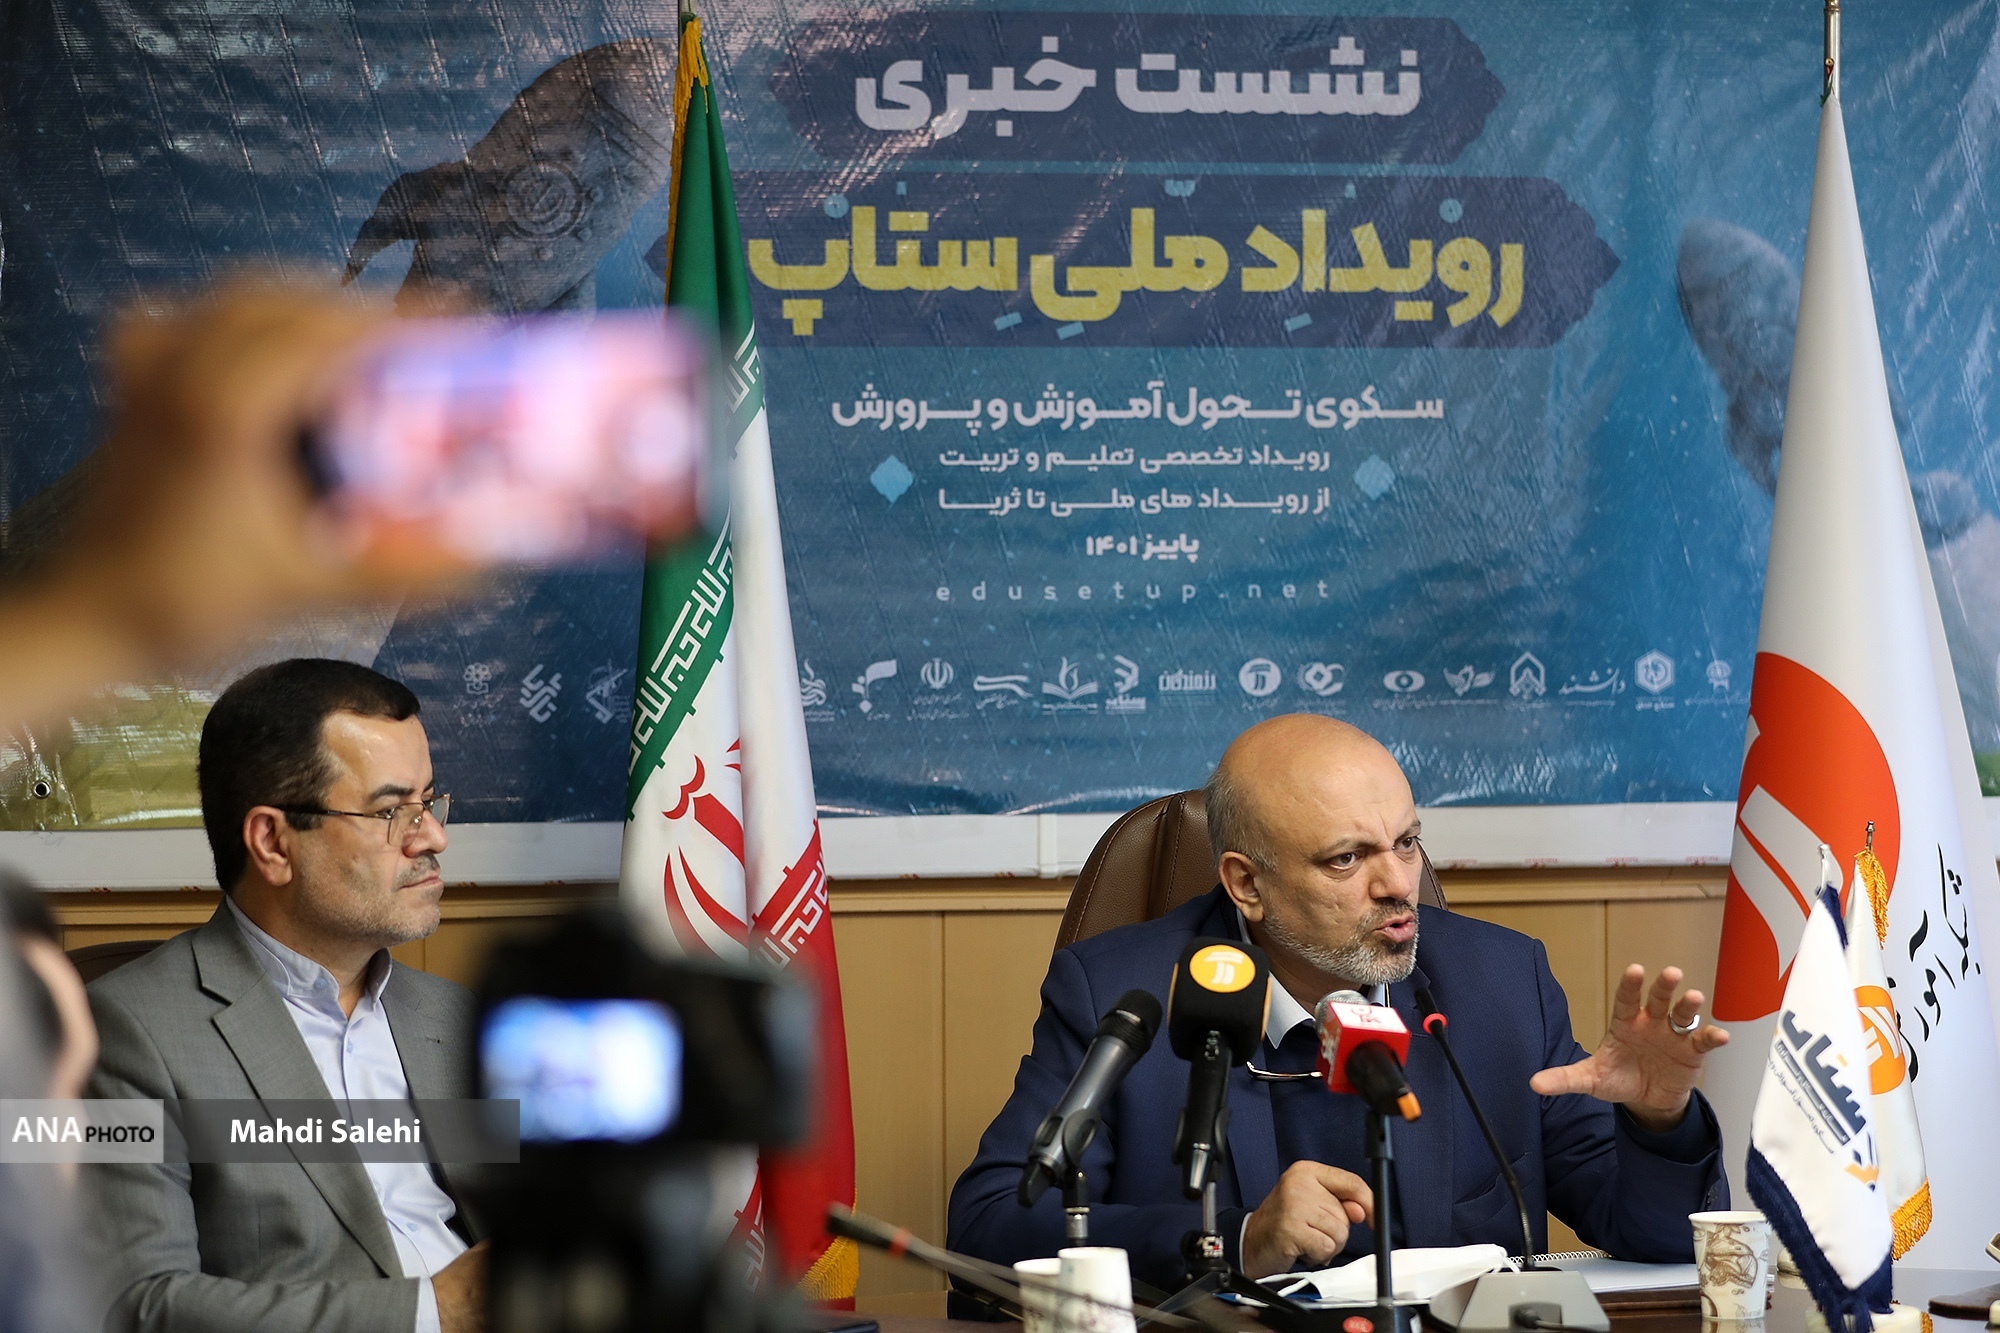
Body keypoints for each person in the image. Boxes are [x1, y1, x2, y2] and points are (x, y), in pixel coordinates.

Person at [948, 714, 1731, 1291]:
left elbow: (1660, 1237)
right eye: (1348, 857)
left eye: (1407, 842)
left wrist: (1660, 1122)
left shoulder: (1498, 982)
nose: (1398, 885)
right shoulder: (1124, 992)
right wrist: (1238, 1238)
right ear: (1246, 883)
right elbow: (989, 1222)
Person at [82, 659, 487, 1333]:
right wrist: (435, 1312)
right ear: (272, 842)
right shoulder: (125, 1032)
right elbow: (140, 1305)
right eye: (391, 811)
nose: (433, 837)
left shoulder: (456, 1015)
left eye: (428, 801)